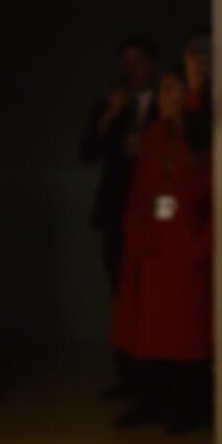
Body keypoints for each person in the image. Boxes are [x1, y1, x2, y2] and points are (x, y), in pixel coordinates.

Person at [111, 65, 214, 434]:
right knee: (148, 327)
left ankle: (186, 407)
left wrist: (200, 246)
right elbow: (141, 188)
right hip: (152, 243)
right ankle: (148, 402)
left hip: (186, 246)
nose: (164, 97)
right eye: (163, 90)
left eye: (172, 89)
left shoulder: (202, 141)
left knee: (186, 331)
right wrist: (134, 232)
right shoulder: (155, 133)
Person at [79, 38, 156, 292]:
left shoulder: (162, 105)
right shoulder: (107, 108)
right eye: (126, 63)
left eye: (138, 62)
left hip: (154, 206)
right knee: (119, 283)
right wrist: (109, 116)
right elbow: (87, 153)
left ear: (151, 65)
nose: (132, 70)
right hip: (116, 210)